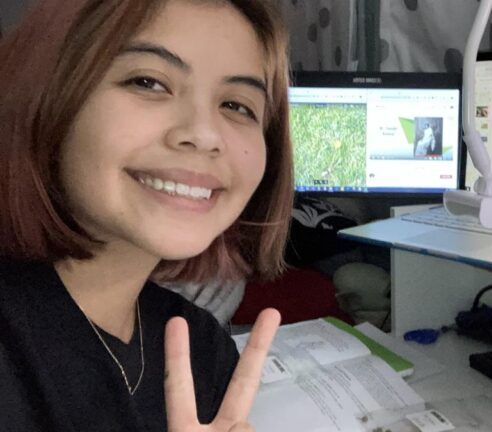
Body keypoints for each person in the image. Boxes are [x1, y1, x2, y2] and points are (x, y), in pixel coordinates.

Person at [0, 0, 294, 431]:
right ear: (45, 95)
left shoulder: (201, 348)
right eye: (149, 82)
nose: (204, 135)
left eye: (237, 105)